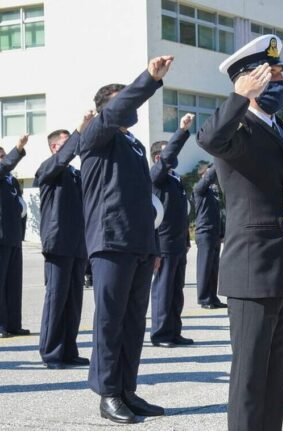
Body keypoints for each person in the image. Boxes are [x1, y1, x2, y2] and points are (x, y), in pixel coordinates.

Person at [196, 35, 283, 431]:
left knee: (276, 375)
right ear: (249, 81)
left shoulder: (278, 129)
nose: (278, 81)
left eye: (279, 73)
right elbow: (209, 138)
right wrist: (238, 97)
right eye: (270, 73)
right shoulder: (238, 128)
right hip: (252, 269)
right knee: (249, 375)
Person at [80, 56, 173, 423]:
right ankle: (107, 394)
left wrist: (152, 246)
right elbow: (120, 105)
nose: (132, 109)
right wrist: (148, 79)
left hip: (138, 242)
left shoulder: (133, 144)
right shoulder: (96, 135)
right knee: (109, 321)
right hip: (110, 240)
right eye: (125, 103)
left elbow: (143, 200)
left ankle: (126, 389)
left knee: (134, 322)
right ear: (108, 109)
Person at [35, 116, 92, 369]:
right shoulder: (49, 167)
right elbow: (61, 160)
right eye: (67, 142)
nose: (73, 147)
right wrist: (79, 131)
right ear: (55, 147)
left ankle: (69, 349)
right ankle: (51, 352)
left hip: (78, 244)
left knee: (73, 300)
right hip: (58, 243)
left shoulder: (75, 174)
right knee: (56, 299)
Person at [150, 113, 194, 348]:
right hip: (163, 243)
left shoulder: (175, 180)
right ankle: (160, 333)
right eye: (170, 153)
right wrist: (182, 131)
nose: (174, 158)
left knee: (176, 290)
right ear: (159, 157)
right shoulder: (156, 177)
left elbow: (180, 213)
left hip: (178, 242)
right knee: (163, 290)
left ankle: (174, 331)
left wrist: (187, 238)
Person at [0, 135, 29, 339]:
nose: (2, 159)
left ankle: (13, 323)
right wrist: (18, 149)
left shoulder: (10, 179)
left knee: (13, 283)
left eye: (3, 156)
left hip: (13, 235)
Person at [193, 163, 227, 310]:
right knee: (205, 267)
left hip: (214, 233)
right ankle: (203, 298)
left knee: (214, 268)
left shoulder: (213, 193)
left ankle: (212, 297)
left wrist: (222, 232)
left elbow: (220, 215)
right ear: (203, 176)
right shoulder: (199, 190)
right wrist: (217, 161)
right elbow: (207, 179)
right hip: (204, 232)